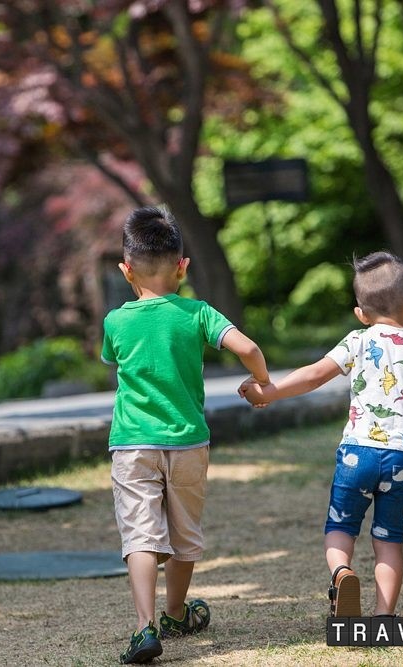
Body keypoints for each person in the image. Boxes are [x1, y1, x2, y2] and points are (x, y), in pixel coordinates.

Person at [239, 250, 403, 618]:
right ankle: (384, 617)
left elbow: (316, 375)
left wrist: (268, 393)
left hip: (357, 455)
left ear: (360, 314)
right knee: (389, 540)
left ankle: (342, 572)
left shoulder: (358, 340)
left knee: (340, 527)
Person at [102, 205, 270, 663]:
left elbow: (115, 361)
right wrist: (262, 383)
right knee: (182, 535)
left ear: (125, 269)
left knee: (141, 536)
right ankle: (176, 611)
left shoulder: (115, 321)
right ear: (183, 267)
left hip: (133, 444)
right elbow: (249, 347)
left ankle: (145, 627)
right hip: (189, 443)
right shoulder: (197, 312)